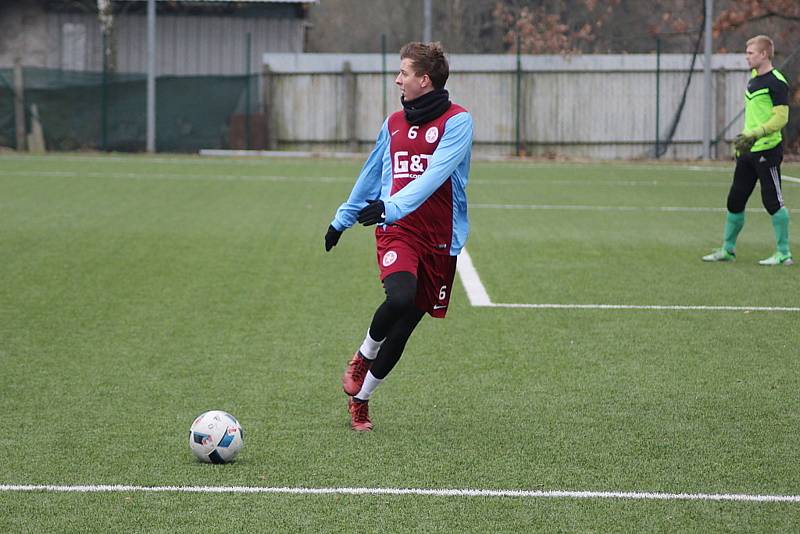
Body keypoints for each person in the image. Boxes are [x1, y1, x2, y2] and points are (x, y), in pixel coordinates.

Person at [324, 42, 473, 431]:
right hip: (399, 232)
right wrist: (342, 218)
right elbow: (372, 174)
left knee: (405, 326)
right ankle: (362, 356)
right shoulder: (392, 124)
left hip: (439, 238)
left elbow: (433, 177)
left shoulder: (458, 122)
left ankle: (362, 400)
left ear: (424, 80)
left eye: (403, 73)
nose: (397, 80)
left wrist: (390, 206)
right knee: (400, 297)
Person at [703, 35, 792, 265]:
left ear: (764, 54)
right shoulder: (753, 79)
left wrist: (756, 133)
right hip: (747, 151)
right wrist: (746, 138)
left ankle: (783, 254)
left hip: (767, 149)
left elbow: (781, 118)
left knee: (772, 201)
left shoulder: (777, 81)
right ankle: (727, 250)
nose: (747, 56)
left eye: (751, 52)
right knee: (735, 199)